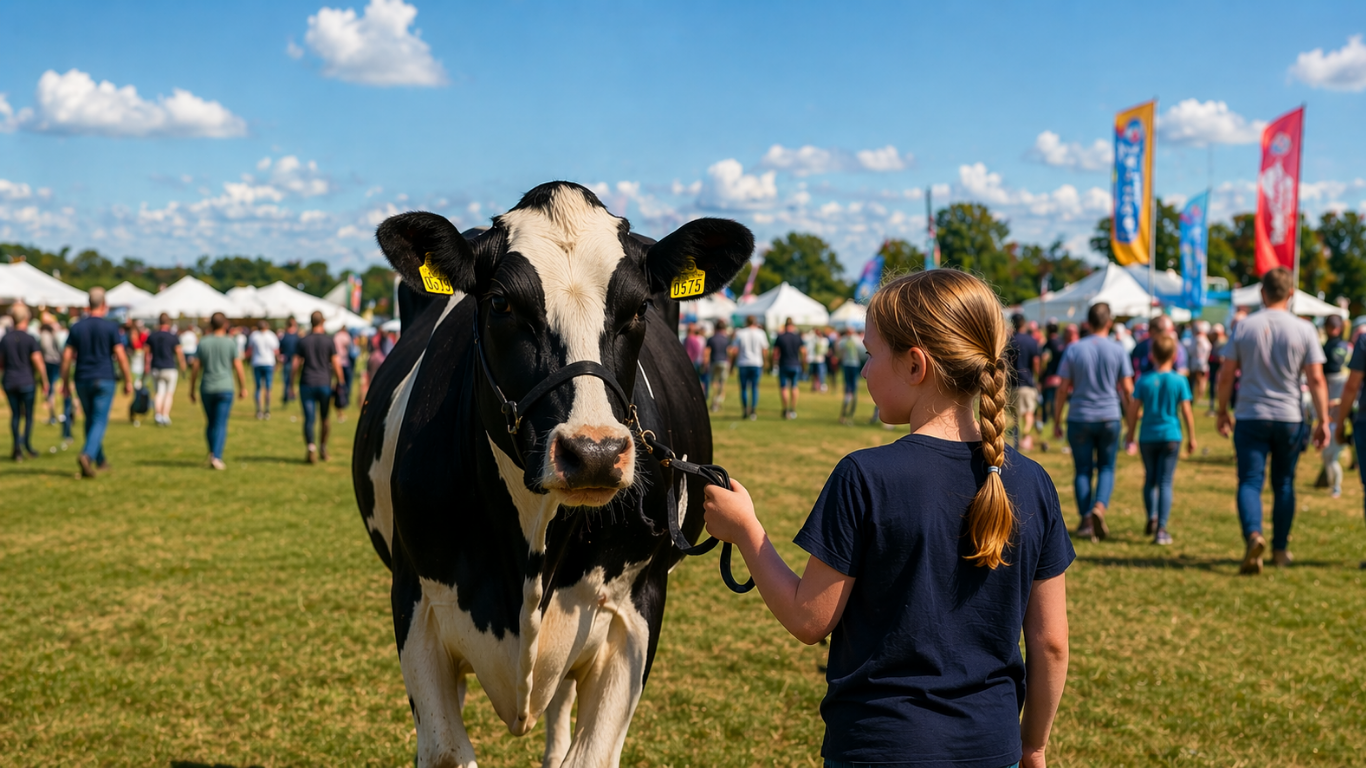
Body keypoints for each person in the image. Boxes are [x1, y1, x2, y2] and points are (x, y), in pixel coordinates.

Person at [703, 269, 1072, 768]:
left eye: (871, 353)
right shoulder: (1034, 482)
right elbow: (1050, 644)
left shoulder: (865, 477)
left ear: (915, 364)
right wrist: (1034, 745)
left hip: (878, 747)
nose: (863, 369)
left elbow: (809, 619)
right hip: (992, 746)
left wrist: (745, 529)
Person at [1215, 267, 1329, 575]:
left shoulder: (1244, 326)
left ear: (1262, 293)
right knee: (1284, 483)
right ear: (1291, 293)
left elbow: (1226, 374)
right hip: (1289, 416)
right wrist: (1324, 420)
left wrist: (1222, 410)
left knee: (1250, 481)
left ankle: (1254, 534)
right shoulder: (1304, 329)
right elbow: (1316, 379)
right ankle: (1280, 549)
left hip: (1251, 414)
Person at [1053, 302, 1134, 541]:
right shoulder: (1118, 349)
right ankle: (1100, 506)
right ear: (1109, 323)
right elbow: (1128, 390)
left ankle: (1087, 520)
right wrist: (1131, 421)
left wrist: (1057, 419)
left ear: (1087, 323)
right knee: (1107, 467)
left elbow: (1062, 389)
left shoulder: (1074, 349)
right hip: (1109, 415)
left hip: (1079, 416)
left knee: (1083, 470)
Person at [1124, 334, 1196, 546]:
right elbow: (1186, 411)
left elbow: (1133, 409)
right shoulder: (1179, 380)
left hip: (1148, 435)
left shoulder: (1143, 380)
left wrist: (1130, 435)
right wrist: (1192, 437)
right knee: (1165, 481)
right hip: (1171, 435)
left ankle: (1151, 517)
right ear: (1174, 356)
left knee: (1150, 478)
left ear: (1151, 355)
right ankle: (1162, 528)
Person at [61, 287, 133, 478]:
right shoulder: (110, 327)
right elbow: (120, 355)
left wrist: (65, 382)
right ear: (105, 305)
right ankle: (87, 455)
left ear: (88, 305)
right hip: (104, 378)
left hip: (82, 378)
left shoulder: (77, 327)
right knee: (99, 420)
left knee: (91, 419)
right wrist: (128, 380)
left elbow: (67, 357)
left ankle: (100, 460)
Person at [188, 313, 246, 470]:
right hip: (226, 387)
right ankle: (217, 456)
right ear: (225, 324)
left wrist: (191, 389)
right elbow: (238, 366)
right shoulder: (230, 342)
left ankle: (212, 451)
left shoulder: (204, 342)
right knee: (220, 423)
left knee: (211, 422)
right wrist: (243, 387)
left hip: (207, 387)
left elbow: (195, 368)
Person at [0, 304, 49, 460]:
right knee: (27, 415)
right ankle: (26, 444)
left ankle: (17, 448)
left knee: (15, 415)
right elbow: (38, 361)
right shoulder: (30, 339)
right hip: (27, 381)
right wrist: (45, 381)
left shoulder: (5, 339)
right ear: (26, 318)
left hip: (9, 381)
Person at [295, 311, 345, 463]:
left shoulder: (303, 341)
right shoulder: (329, 341)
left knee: (309, 418)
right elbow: (336, 363)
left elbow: (295, 364)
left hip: (307, 383)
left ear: (311, 322)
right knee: (325, 418)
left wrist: (290, 383)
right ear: (322, 322)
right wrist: (341, 382)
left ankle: (311, 447)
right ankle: (323, 447)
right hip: (324, 383)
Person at [1321, 315, 1351, 498]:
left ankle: (1336, 487)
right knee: (1328, 456)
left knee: (1331, 457)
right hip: (1330, 418)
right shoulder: (1340, 348)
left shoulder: (1342, 375)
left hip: (1337, 419)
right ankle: (1331, 484)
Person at [1007, 313, 1042, 451]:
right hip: (1027, 383)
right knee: (1029, 414)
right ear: (1024, 323)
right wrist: (1038, 378)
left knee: (1015, 417)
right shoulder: (1031, 340)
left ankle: (1016, 442)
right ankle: (1025, 436)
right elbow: (1036, 361)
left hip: (1012, 384)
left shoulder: (1009, 341)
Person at [146, 313, 187, 426]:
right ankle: (165, 415)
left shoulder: (152, 336)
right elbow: (179, 353)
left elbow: (147, 353)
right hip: (170, 368)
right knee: (168, 394)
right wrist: (183, 367)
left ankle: (158, 415)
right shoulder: (173, 336)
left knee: (159, 393)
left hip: (156, 367)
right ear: (168, 323)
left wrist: (146, 367)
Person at [39, 313, 74, 440]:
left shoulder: (45, 334)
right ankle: (57, 415)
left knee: (52, 388)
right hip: (56, 361)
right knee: (56, 388)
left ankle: (54, 415)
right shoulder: (53, 332)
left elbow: (45, 348)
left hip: (50, 362)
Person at [731, 316, 768, 420]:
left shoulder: (740, 333)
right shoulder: (761, 333)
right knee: (754, 387)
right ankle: (753, 410)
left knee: (744, 388)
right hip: (756, 363)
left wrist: (732, 365)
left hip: (743, 363)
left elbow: (735, 350)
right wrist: (766, 363)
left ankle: (745, 410)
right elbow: (764, 350)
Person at [247, 319, 280, 420]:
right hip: (269, 363)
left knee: (258, 388)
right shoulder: (271, 336)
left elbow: (250, 350)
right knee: (268, 388)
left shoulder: (254, 336)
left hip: (257, 363)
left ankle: (259, 411)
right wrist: (278, 362)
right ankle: (267, 410)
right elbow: (276, 351)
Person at [773, 319, 804, 420]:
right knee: (794, 387)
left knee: (784, 388)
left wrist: (773, 363)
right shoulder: (797, 337)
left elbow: (775, 353)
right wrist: (803, 362)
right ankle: (793, 409)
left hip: (784, 364)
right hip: (795, 364)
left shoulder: (781, 337)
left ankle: (785, 409)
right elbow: (803, 351)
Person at [837, 328, 866, 425]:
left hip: (849, 365)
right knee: (852, 389)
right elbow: (863, 353)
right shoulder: (856, 340)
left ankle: (847, 413)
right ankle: (848, 412)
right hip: (852, 365)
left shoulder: (846, 340)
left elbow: (838, 350)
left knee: (850, 389)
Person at [703, 320, 731, 412]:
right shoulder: (726, 339)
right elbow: (730, 352)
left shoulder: (711, 339)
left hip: (714, 362)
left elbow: (707, 352)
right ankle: (718, 401)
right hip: (724, 362)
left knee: (714, 383)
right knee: (722, 384)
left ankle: (714, 402)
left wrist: (705, 363)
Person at [1185, 321, 1213, 406]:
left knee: (1196, 381)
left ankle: (1195, 397)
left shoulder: (1196, 339)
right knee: (1201, 380)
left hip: (1195, 363)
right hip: (1202, 363)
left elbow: (1190, 350)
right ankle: (1198, 397)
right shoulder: (1204, 339)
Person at [334, 325, 354, 422]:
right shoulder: (346, 336)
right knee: (344, 384)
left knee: (338, 384)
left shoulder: (336, 336)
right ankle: (343, 401)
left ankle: (340, 403)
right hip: (344, 362)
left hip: (336, 362)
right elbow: (350, 347)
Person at [279, 318, 301, 406]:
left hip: (289, 360)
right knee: (290, 379)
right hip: (291, 360)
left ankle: (288, 395)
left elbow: (280, 348)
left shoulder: (285, 336)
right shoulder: (296, 336)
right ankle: (289, 395)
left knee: (287, 379)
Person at [1206, 323, 1227, 415]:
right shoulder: (1216, 342)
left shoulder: (1223, 342)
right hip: (1215, 369)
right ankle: (1213, 407)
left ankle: (1220, 408)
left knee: (1218, 388)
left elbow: (1222, 358)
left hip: (1219, 369)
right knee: (1213, 389)